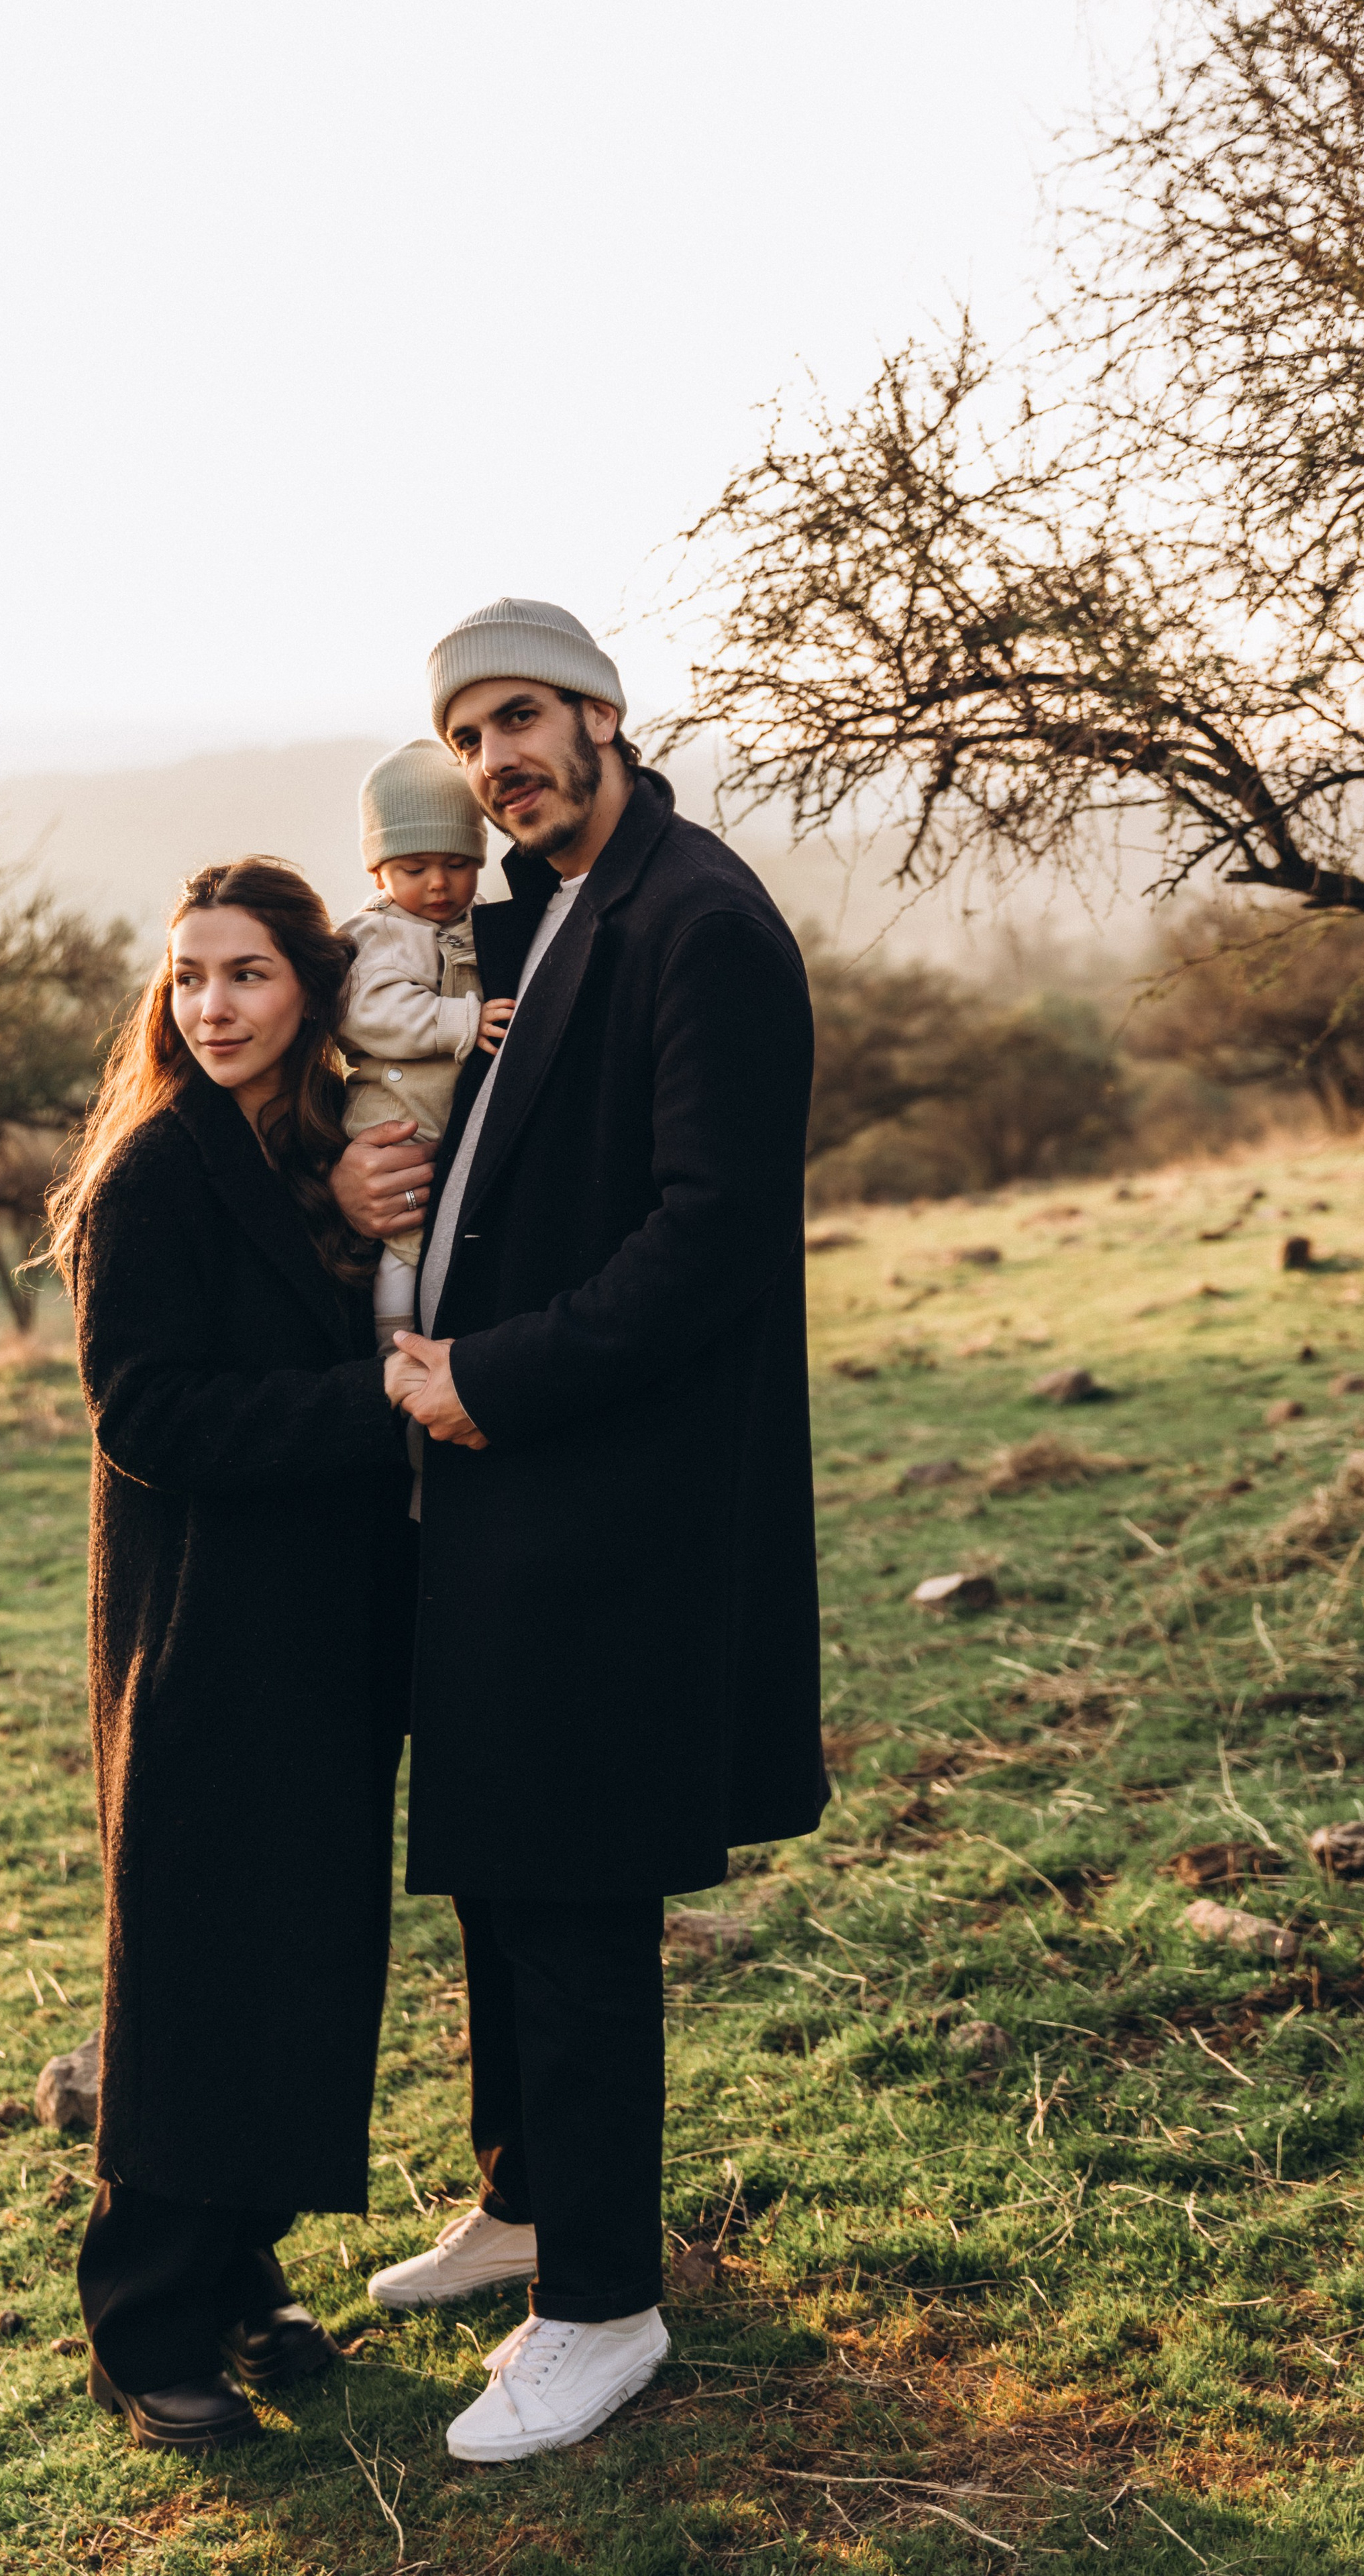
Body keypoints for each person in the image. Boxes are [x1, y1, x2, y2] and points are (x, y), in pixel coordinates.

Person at [331, 598, 827, 2463]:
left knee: (577, 1895)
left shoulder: (700, 923)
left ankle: (602, 2306)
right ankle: (526, 2202)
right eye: (468, 738)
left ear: (606, 714)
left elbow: (708, 1244)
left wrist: (494, 1382)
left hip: (608, 1494)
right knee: (498, 1871)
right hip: (500, 1489)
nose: (497, 764)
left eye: (523, 719)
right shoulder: (547, 916)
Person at [46, 858, 415, 2455]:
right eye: (190, 976)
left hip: (317, 1625)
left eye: (246, 974)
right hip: (200, 1633)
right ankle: (144, 2318)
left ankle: (243, 2265)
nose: (211, 1005)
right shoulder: (152, 1174)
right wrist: (373, 1398)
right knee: (199, 1967)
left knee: (297, 1953)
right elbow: (148, 1413)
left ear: (308, 990)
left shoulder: (298, 1154)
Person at [338, 737, 514, 1354]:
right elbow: (369, 1014)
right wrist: (458, 1020)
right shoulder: (374, 935)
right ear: (378, 870)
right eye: (414, 869)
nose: (439, 884)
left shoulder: (482, 921)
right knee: (400, 1252)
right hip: (396, 1119)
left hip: (452, 1125)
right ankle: (393, 1352)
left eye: (459, 863)